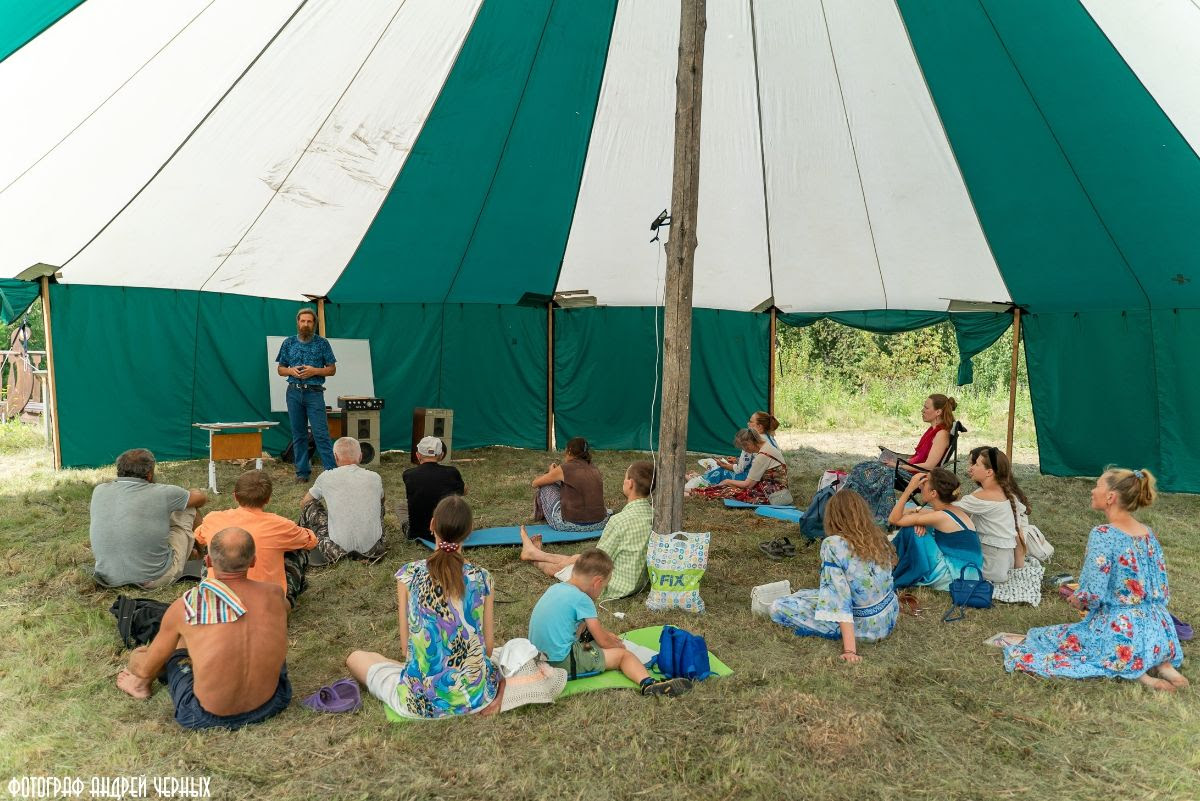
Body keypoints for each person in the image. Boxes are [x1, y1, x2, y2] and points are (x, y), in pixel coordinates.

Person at [1004, 468, 1187, 692]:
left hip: (1121, 628)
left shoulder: (1103, 534)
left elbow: (1093, 590)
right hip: (1159, 626)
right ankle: (1165, 666)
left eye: (1098, 485)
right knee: (1137, 643)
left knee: (1045, 638)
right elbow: (1161, 586)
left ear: (1110, 497)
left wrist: (1078, 600)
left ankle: (1141, 676)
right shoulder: (1147, 532)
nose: (1092, 490)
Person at [115, 527, 292, 730]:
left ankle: (138, 686)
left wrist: (136, 657)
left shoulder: (186, 607)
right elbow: (283, 613)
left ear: (207, 561)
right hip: (273, 702)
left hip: (205, 717)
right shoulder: (274, 594)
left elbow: (146, 669)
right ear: (253, 561)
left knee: (180, 640)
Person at [346, 496, 504, 718]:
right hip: (475, 697)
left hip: (420, 702)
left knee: (356, 657)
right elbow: (487, 648)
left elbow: (405, 649)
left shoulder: (409, 575)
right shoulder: (483, 578)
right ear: (469, 531)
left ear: (432, 525)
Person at [528, 548, 692, 696]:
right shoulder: (583, 600)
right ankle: (648, 684)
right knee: (624, 656)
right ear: (597, 582)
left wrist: (604, 635)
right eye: (604, 587)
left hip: (537, 656)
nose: (601, 591)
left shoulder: (557, 588)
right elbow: (603, 642)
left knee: (586, 630)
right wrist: (615, 644)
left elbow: (584, 627)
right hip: (559, 662)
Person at [769, 491, 898, 661]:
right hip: (887, 618)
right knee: (803, 594)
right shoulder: (878, 536)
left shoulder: (833, 544)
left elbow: (839, 598)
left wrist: (850, 651)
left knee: (778, 606)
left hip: (864, 628)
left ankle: (847, 640)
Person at [519, 461, 655, 601]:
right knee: (575, 559)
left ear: (630, 483)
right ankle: (536, 553)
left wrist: (571, 561)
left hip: (607, 586)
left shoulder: (619, 521)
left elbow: (596, 561)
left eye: (625, 477)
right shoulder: (655, 516)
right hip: (636, 583)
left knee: (563, 568)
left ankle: (534, 559)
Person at [194, 471, 317, 609]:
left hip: (217, 601)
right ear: (268, 499)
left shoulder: (213, 519)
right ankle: (285, 602)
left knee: (211, 550)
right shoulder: (280, 525)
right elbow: (310, 541)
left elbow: (199, 536)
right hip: (264, 604)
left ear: (235, 496)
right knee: (298, 548)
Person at [90, 448, 208, 588]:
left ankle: (194, 553)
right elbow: (201, 499)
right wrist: (193, 491)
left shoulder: (99, 490)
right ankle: (203, 555)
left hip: (108, 577)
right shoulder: (163, 493)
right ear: (150, 474)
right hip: (153, 578)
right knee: (188, 507)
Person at [840, 394, 956, 525]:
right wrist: (896, 460)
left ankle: (860, 511)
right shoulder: (932, 430)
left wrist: (898, 466)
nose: (922, 410)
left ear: (938, 412)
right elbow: (918, 457)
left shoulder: (941, 434)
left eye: (926, 407)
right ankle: (851, 507)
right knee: (864, 466)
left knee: (872, 471)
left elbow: (929, 466)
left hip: (919, 475)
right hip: (912, 469)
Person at [957, 446, 1043, 604]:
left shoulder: (982, 497)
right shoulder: (1007, 494)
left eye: (975, 464)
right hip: (1005, 563)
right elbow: (1018, 535)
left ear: (989, 472)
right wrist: (1018, 568)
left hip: (991, 568)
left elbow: (946, 511)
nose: (971, 468)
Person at [888, 469, 983, 591]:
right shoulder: (950, 510)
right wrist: (918, 518)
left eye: (924, 483)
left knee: (911, 530)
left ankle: (889, 565)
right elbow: (903, 512)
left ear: (933, 493)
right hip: (968, 573)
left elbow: (893, 519)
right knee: (913, 525)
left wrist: (909, 489)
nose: (921, 486)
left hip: (955, 576)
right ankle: (890, 562)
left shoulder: (941, 516)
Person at [300, 437, 385, 565]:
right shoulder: (375, 477)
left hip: (336, 552)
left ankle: (302, 543)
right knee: (380, 503)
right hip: (374, 551)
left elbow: (304, 502)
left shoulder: (326, 477)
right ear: (361, 456)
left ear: (335, 456)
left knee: (310, 506)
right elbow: (382, 502)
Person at [275, 307, 337, 484]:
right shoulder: (288, 343)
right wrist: (291, 371)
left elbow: (332, 369)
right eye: (303, 321)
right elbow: (280, 369)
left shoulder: (322, 343)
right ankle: (302, 473)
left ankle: (331, 473)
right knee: (299, 434)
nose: (306, 324)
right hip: (293, 392)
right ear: (297, 322)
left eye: (309, 321)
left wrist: (314, 371)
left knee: (321, 433)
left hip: (314, 393)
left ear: (314, 324)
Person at [689, 429, 789, 505]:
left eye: (744, 448)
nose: (745, 451)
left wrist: (728, 481)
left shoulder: (762, 455)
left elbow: (748, 484)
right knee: (727, 487)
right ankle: (691, 491)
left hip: (772, 495)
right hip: (775, 489)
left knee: (728, 491)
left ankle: (691, 493)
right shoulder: (766, 446)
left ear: (749, 444)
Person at [531, 437, 609, 532]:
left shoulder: (565, 468)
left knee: (546, 486)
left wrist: (551, 472)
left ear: (569, 451)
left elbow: (535, 483)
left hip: (571, 524)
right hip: (599, 523)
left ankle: (540, 515)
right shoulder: (594, 469)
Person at [401, 436, 464, 540]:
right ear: (442, 455)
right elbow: (462, 492)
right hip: (448, 532)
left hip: (418, 534)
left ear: (417, 455)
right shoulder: (452, 472)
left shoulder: (408, 474)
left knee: (400, 506)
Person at [696, 411, 781, 486]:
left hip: (761, 481)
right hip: (772, 479)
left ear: (759, 426)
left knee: (722, 471)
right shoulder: (770, 439)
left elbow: (740, 470)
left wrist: (725, 466)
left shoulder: (752, 441)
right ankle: (701, 478)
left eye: (751, 422)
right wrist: (737, 460)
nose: (748, 424)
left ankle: (701, 481)